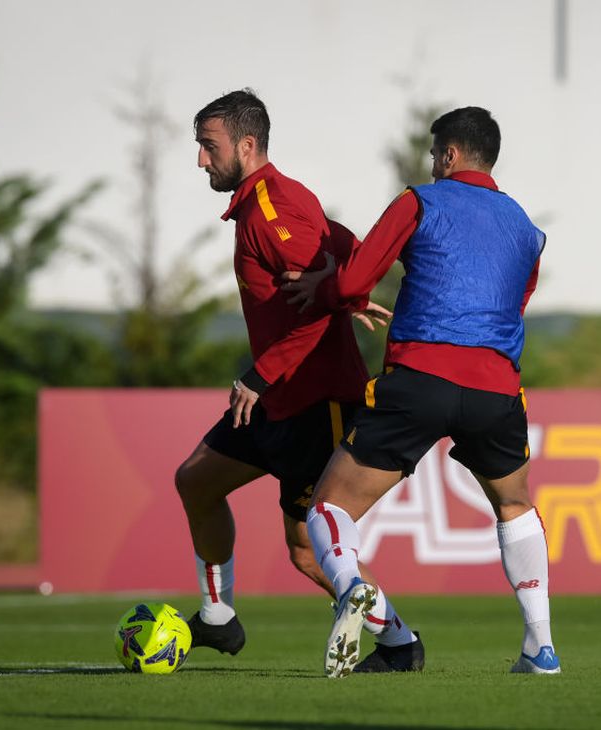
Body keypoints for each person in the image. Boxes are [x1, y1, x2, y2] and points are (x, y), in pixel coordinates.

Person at [282, 106, 558, 677]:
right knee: (514, 503)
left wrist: (327, 290)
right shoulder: (527, 229)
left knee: (329, 508)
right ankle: (541, 647)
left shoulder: (420, 201)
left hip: (420, 379)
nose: (432, 164)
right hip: (496, 389)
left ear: (450, 154)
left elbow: (358, 279)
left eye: (436, 155)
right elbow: (514, 305)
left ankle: (353, 587)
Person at [175, 89, 423, 673]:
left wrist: (263, 370)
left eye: (208, 148)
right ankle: (218, 619)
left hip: (314, 398)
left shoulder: (273, 208)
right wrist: (349, 287)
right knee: (196, 482)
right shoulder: (274, 200)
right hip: (276, 396)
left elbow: (316, 300)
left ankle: (399, 643)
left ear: (247, 144)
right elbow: (334, 242)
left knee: (308, 552)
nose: (201, 161)